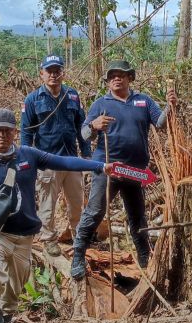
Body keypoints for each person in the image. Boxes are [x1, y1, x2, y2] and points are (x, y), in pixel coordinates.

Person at [0, 107, 115, 323]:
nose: (2, 136)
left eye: (7, 131)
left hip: (24, 236)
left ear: (15, 132)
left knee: (15, 287)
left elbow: (62, 161)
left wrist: (97, 166)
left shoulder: (28, 156)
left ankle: (6, 317)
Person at [70, 60, 177, 280]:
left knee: (137, 217)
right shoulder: (101, 104)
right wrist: (94, 125)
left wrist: (170, 107)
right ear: (107, 81)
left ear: (130, 78)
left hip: (134, 171)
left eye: (121, 75)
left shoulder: (143, 101)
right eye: (112, 76)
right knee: (95, 212)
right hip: (107, 167)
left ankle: (146, 259)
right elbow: (83, 134)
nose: (116, 78)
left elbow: (161, 124)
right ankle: (78, 256)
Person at [20, 55, 90, 257]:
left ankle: (79, 237)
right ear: (41, 74)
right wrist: (27, 159)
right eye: (49, 71)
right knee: (47, 205)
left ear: (62, 73)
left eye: (57, 70)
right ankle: (49, 240)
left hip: (72, 161)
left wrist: (86, 154)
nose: (53, 75)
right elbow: (26, 132)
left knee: (77, 203)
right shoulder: (33, 99)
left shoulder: (73, 96)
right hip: (46, 162)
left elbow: (81, 127)